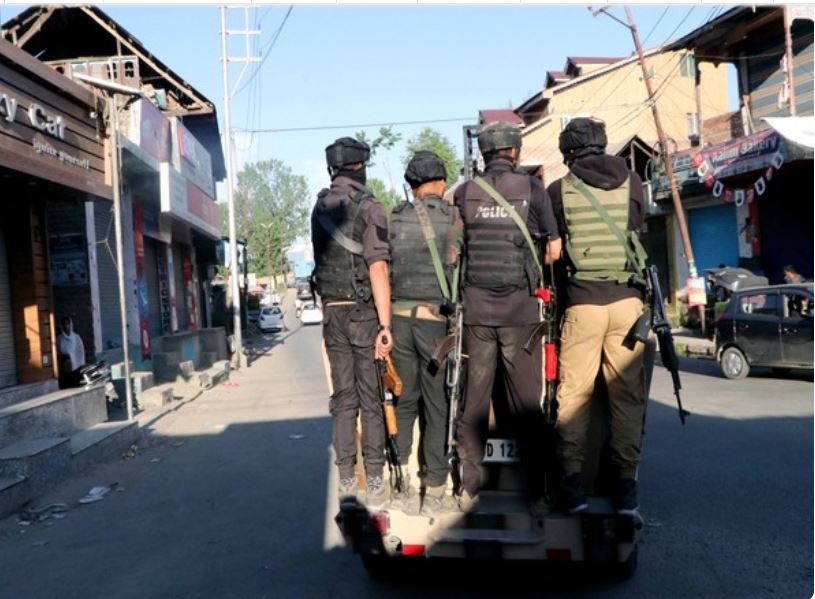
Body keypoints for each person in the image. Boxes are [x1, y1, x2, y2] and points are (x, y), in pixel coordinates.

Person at [454, 122, 561, 509]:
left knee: (476, 397)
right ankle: (534, 484)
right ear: (513, 152)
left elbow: (455, 254)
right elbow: (555, 250)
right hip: (521, 313)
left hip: (478, 314)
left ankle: (471, 480)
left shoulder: (464, 193)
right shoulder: (533, 189)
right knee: (525, 401)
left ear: (485, 153)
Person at [547, 117, 648, 515]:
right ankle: (625, 488)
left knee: (574, 396)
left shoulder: (559, 191)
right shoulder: (634, 183)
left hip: (583, 303)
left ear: (569, 152)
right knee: (627, 397)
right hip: (628, 304)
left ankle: (573, 486)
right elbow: (636, 228)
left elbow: (555, 250)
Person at [311, 137, 393, 508]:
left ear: (333, 168)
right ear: (361, 166)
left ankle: (346, 476)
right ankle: (374, 477)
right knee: (371, 400)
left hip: (332, 312)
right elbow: (377, 268)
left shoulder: (318, 208)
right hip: (362, 313)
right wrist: (386, 325)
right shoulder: (369, 207)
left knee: (342, 400)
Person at [388, 151, 462, 515]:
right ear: (441, 183)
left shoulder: (394, 218)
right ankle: (434, 487)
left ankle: (399, 479)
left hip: (399, 319)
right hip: (436, 325)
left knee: (403, 401)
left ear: (411, 185)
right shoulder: (453, 217)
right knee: (437, 405)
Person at [57, 317, 86, 387]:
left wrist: (73, 358)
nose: (66, 326)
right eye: (64, 324)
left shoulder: (76, 337)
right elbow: (59, 351)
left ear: (70, 325)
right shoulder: (59, 339)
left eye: (67, 324)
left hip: (77, 367)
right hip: (65, 368)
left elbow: (80, 351)